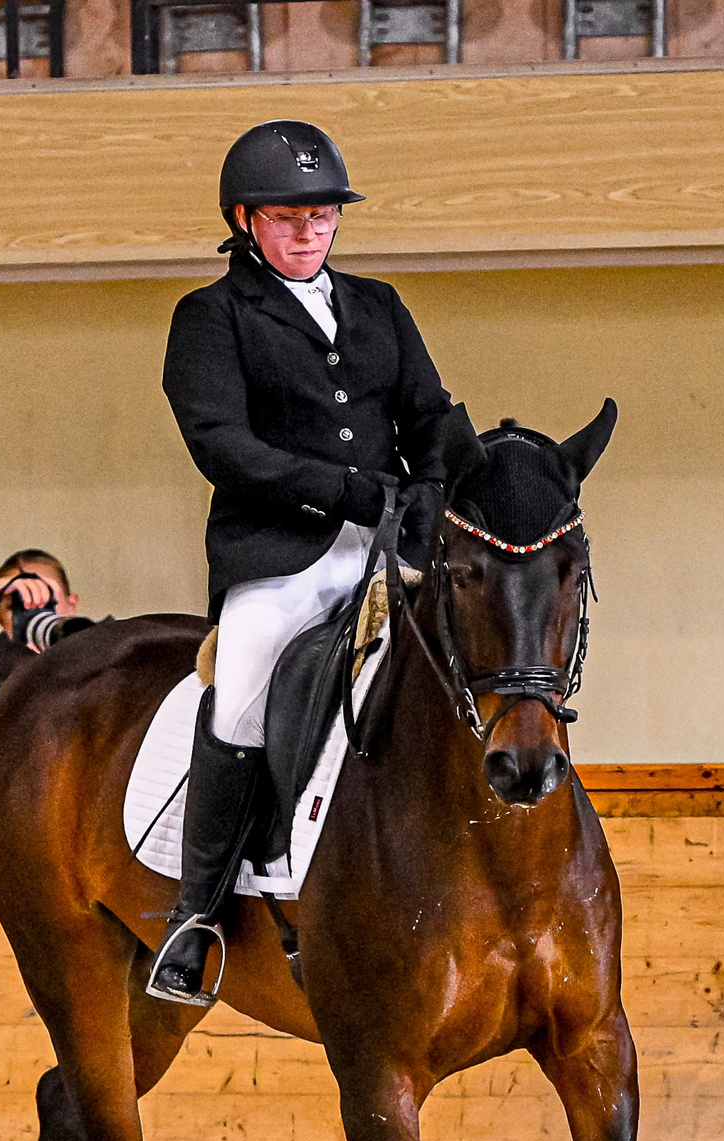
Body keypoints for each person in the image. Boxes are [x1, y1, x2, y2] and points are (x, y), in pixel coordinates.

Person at [146, 120, 456, 1008]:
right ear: (245, 220)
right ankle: (195, 915)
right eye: (289, 218)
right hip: (280, 553)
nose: (311, 233)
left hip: (393, 546)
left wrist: (434, 484)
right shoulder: (210, 317)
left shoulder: (379, 304)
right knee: (241, 685)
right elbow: (223, 446)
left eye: (323, 217)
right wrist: (349, 492)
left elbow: (427, 412)